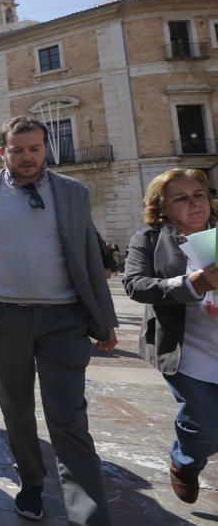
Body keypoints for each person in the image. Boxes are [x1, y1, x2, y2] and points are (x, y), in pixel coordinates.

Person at [0, 115, 117, 525]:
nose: (27, 157)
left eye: (35, 149)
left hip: (66, 320)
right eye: (17, 149)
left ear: (46, 150)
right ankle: (32, 484)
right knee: (17, 408)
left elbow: (89, 255)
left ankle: (88, 513)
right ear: (3, 151)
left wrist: (104, 317)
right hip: (3, 317)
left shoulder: (73, 193)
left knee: (68, 417)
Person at [123, 168, 218, 505]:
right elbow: (135, 285)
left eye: (199, 195)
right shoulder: (148, 239)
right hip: (186, 350)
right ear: (162, 208)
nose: (195, 203)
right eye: (181, 198)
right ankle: (185, 462)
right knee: (204, 424)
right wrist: (193, 284)